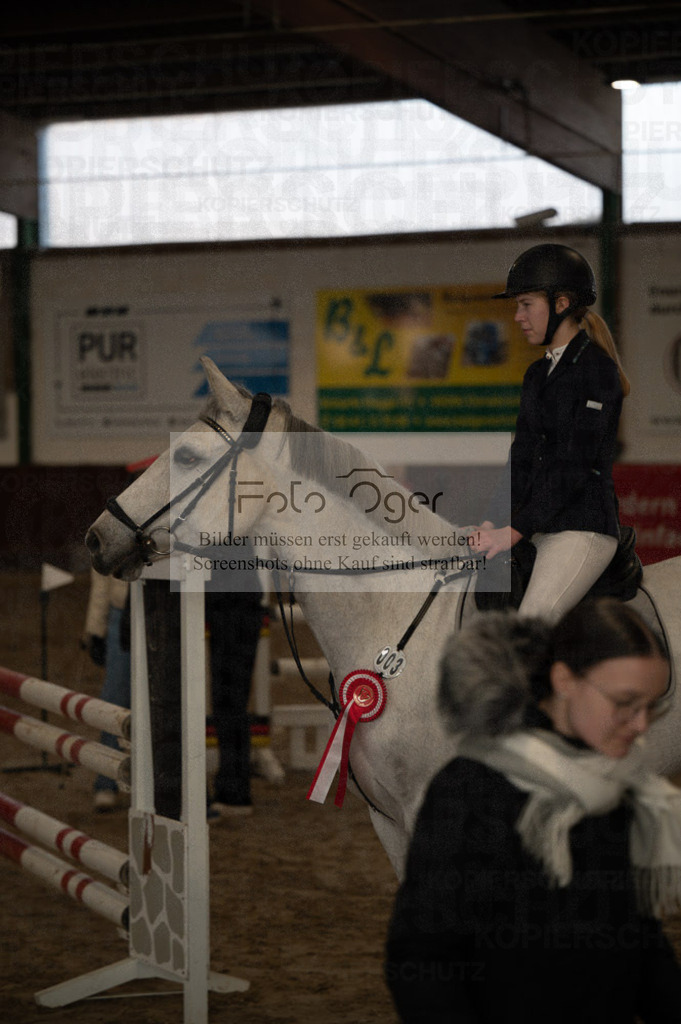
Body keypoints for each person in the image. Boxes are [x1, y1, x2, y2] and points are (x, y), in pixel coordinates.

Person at [386, 598, 681, 1023]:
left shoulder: (620, 790)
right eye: (625, 703)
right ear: (564, 680)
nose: (641, 726)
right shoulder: (469, 790)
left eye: (651, 707)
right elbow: (421, 959)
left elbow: (639, 940)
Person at [472, 243, 630, 623]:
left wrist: (514, 530)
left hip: (582, 529)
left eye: (526, 304)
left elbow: (573, 466)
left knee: (532, 622)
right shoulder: (536, 375)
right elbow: (521, 459)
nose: (517, 316)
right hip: (537, 527)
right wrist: (492, 522)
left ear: (561, 303)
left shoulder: (598, 371)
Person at [83, 568, 130, 811]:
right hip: (121, 612)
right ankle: (105, 781)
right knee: (114, 696)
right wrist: (95, 628)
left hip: (161, 611)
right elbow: (101, 574)